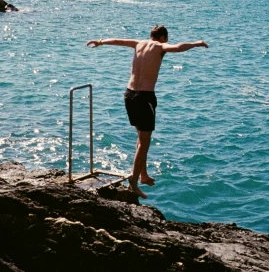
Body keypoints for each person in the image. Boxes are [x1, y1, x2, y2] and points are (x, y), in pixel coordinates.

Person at [86, 25, 208, 198]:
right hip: (144, 98)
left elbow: (117, 40)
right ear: (164, 37)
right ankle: (133, 183)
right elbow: (179, 47)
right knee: (144, 141)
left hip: (129, 94)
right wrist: (197, 43)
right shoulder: (160, 46)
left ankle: (142, 175)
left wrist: (100, 42)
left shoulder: (138, 43)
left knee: (141, 137)